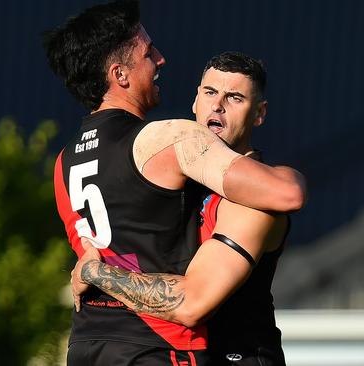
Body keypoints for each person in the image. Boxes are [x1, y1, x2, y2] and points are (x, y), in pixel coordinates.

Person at [43, 1, 305, 365]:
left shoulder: (64, 162)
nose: (161, 60)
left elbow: (93, 255)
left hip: (88, 344)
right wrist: (292, 176)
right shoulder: (170, 138)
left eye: (235, 98)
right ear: (120, 75)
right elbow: (288, 192)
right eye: (149, 53)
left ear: (258, 113)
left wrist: (95, 272)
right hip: (155, 346)